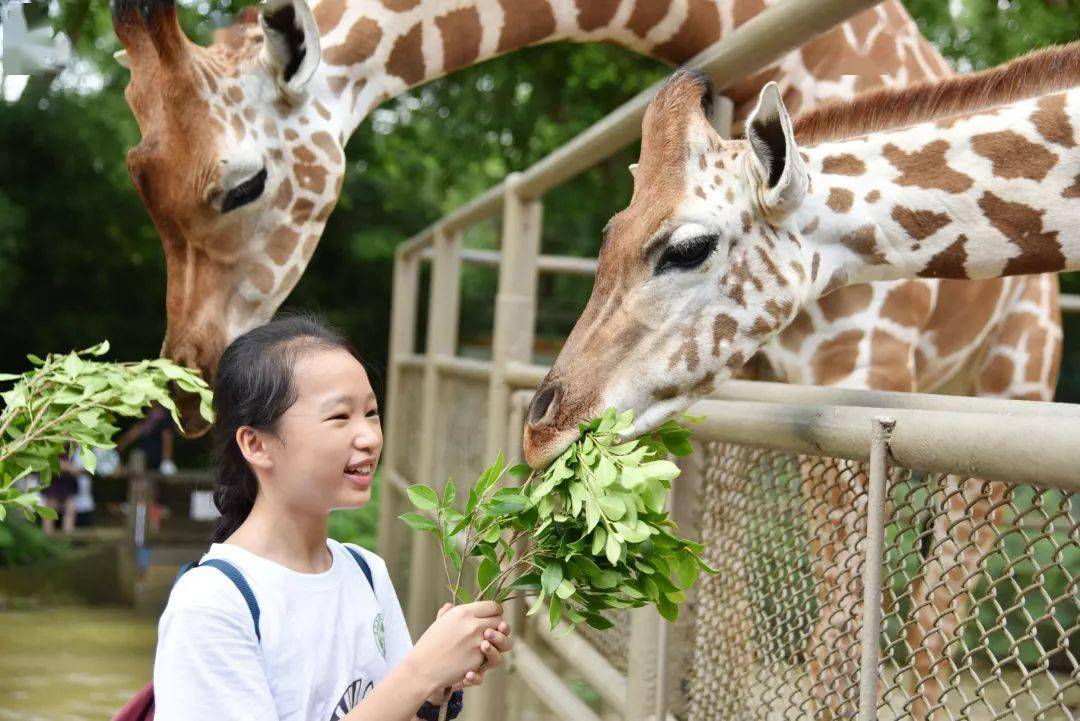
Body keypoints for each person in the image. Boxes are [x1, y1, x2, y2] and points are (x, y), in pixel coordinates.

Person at [152, 313, 511, 721]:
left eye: (372, 413)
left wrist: (437, 688)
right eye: (340, 417)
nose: (370, 437)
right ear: (256, 444)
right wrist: (419, 671)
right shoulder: (212, 604)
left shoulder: (366, 572)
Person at [41, 446, 79, 534]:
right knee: (50, 509)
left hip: (68, 480)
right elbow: (46, 461)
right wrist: (68, 466)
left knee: (70, 509)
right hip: (53, 480)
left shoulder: (72, 443)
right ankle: (47, 538)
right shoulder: (50, 441)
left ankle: (68, 539)